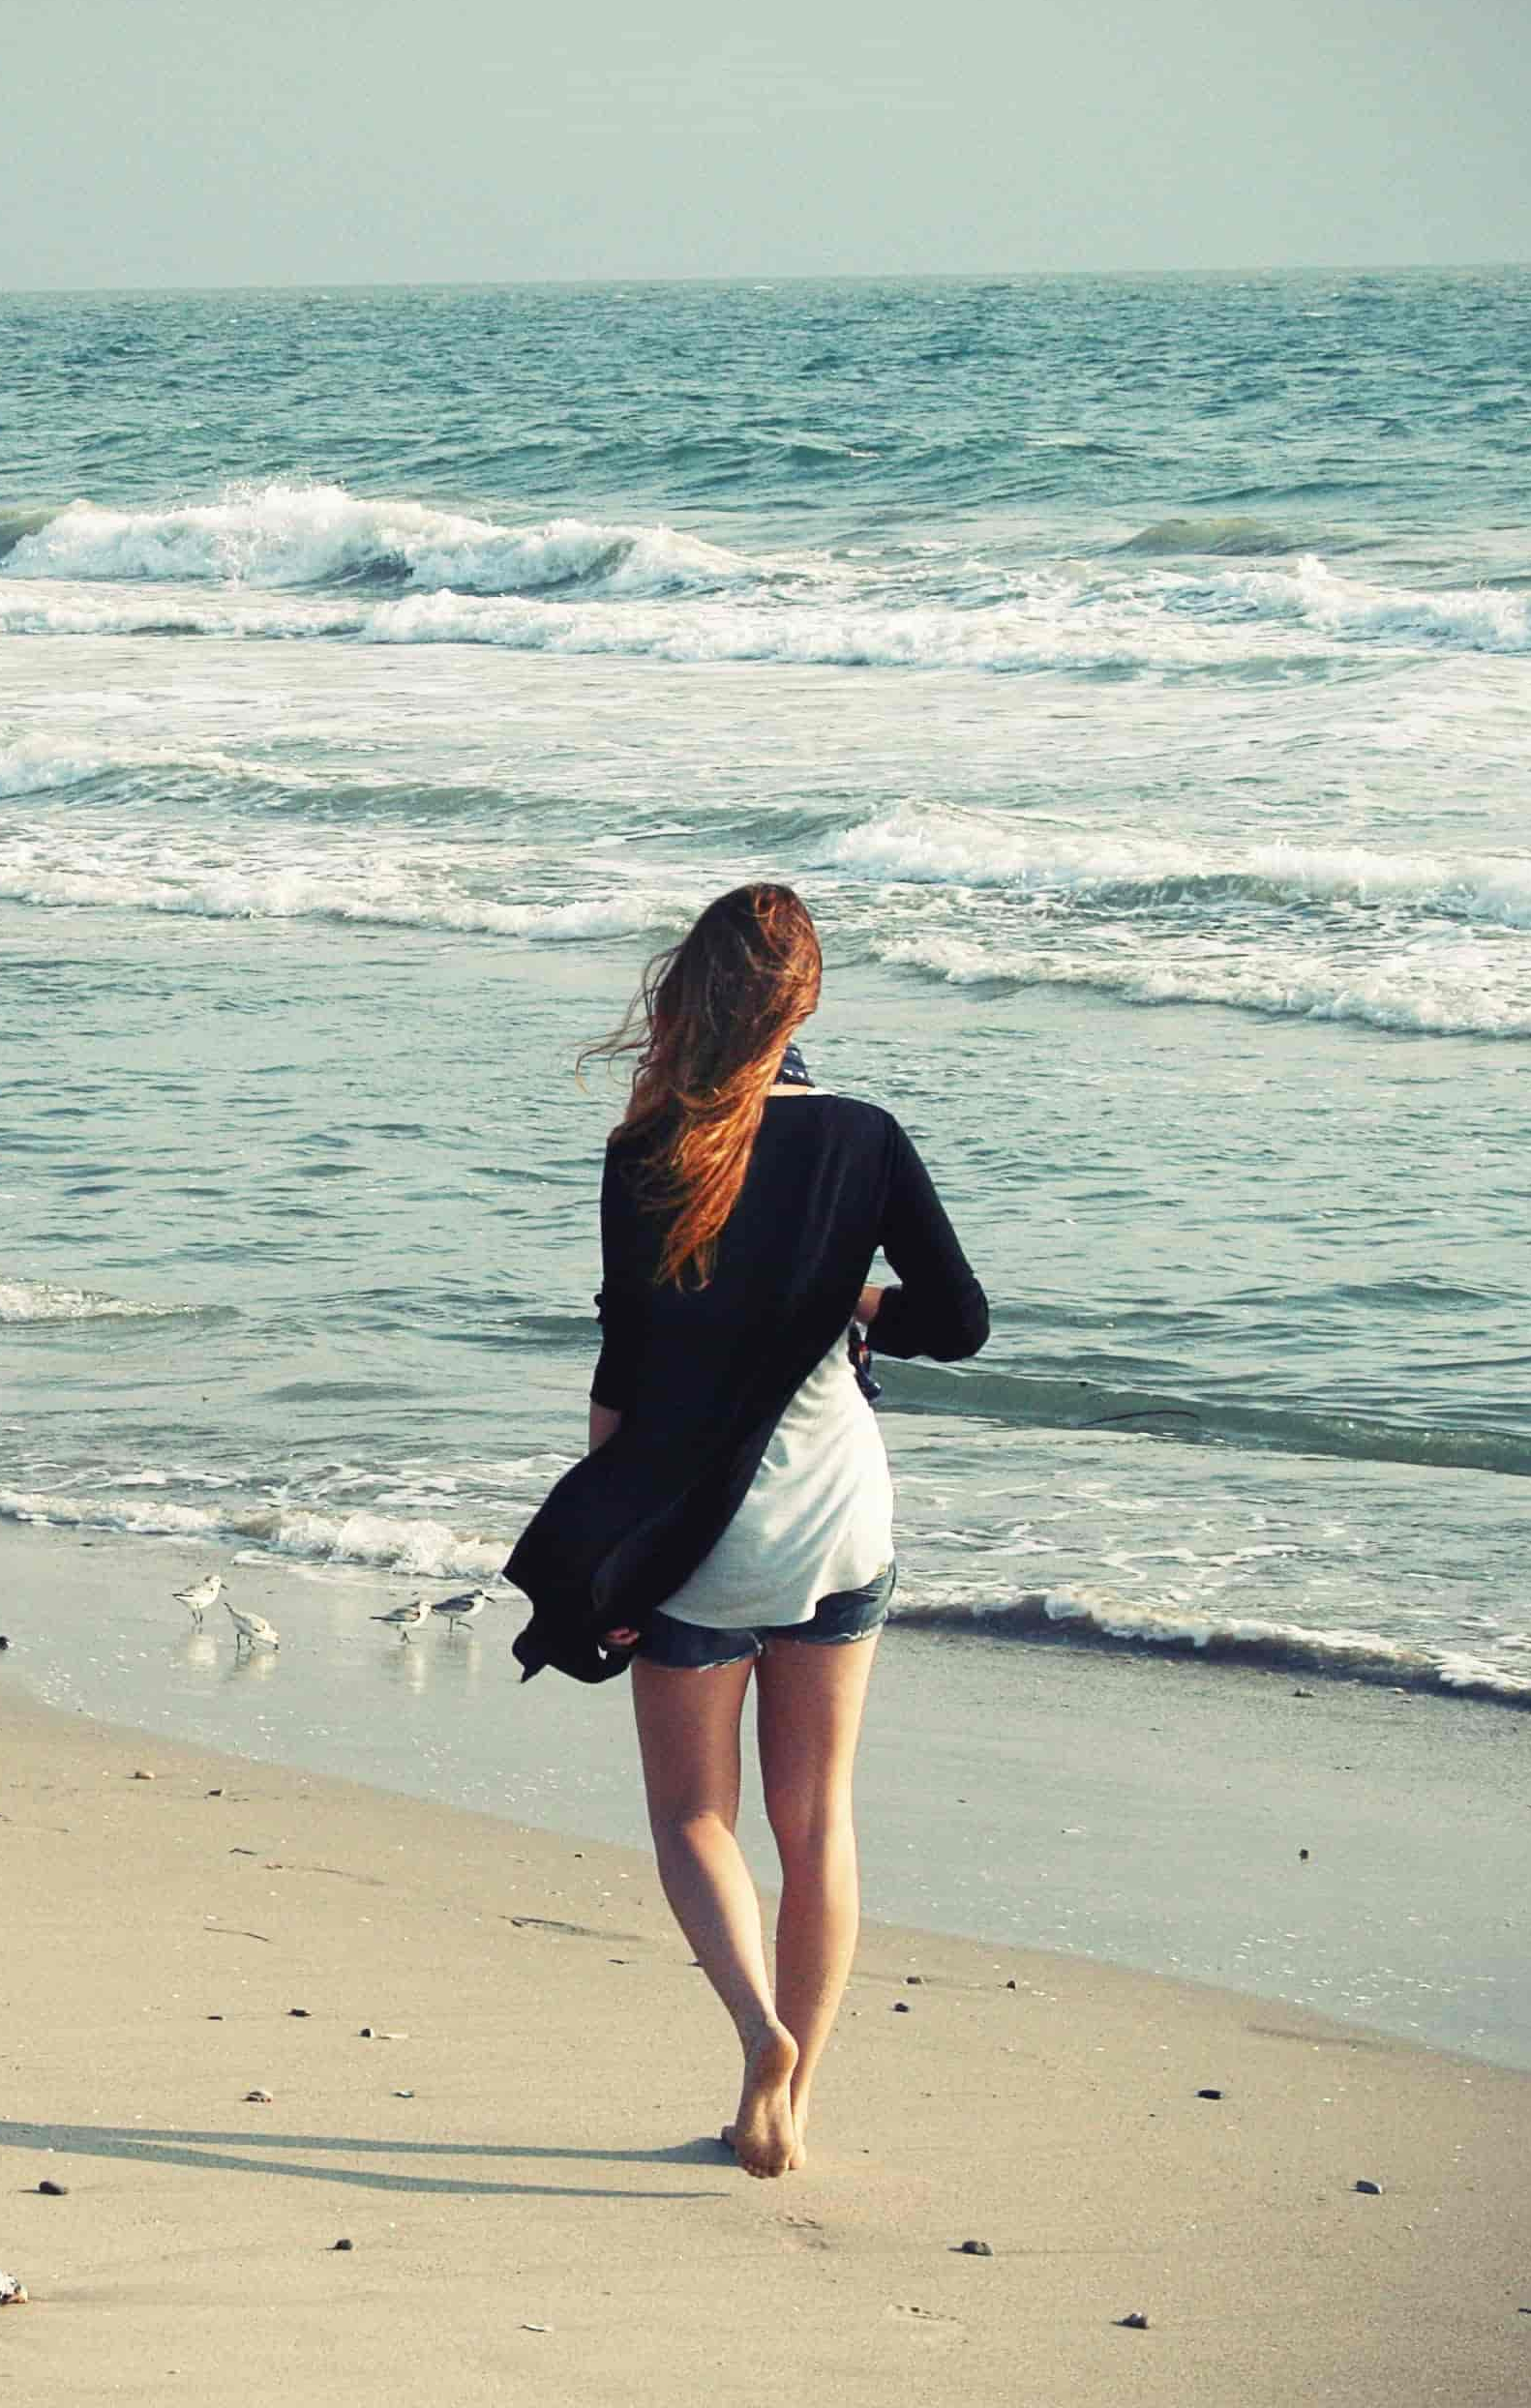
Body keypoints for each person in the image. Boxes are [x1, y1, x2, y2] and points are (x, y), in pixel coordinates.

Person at [501, 882, 987, 2176]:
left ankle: (755, 2030)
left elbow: (624, 1369)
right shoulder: (868, 1139)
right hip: (841, 1519)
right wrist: (860, 1301)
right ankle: (792, 2103)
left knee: (692, 1819)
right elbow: (961, 1320)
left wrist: (609, 1538)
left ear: (691, 1000)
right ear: (805, 1002)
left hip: (699, 1534)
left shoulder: (646, 1148)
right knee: (817, 1814)